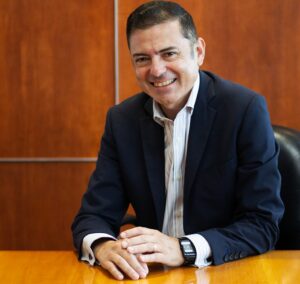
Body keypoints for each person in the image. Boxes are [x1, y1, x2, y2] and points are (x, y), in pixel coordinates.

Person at [72, 0, 284, 281]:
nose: (157, 70)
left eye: (168, 53)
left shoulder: (244, 110)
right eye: (142, 59)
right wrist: (103, 246)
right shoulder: (122, 120)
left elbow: (262, 224)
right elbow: (92, 217)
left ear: (198, 52)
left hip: (226, 273)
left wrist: (184, 249)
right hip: (152, 275)